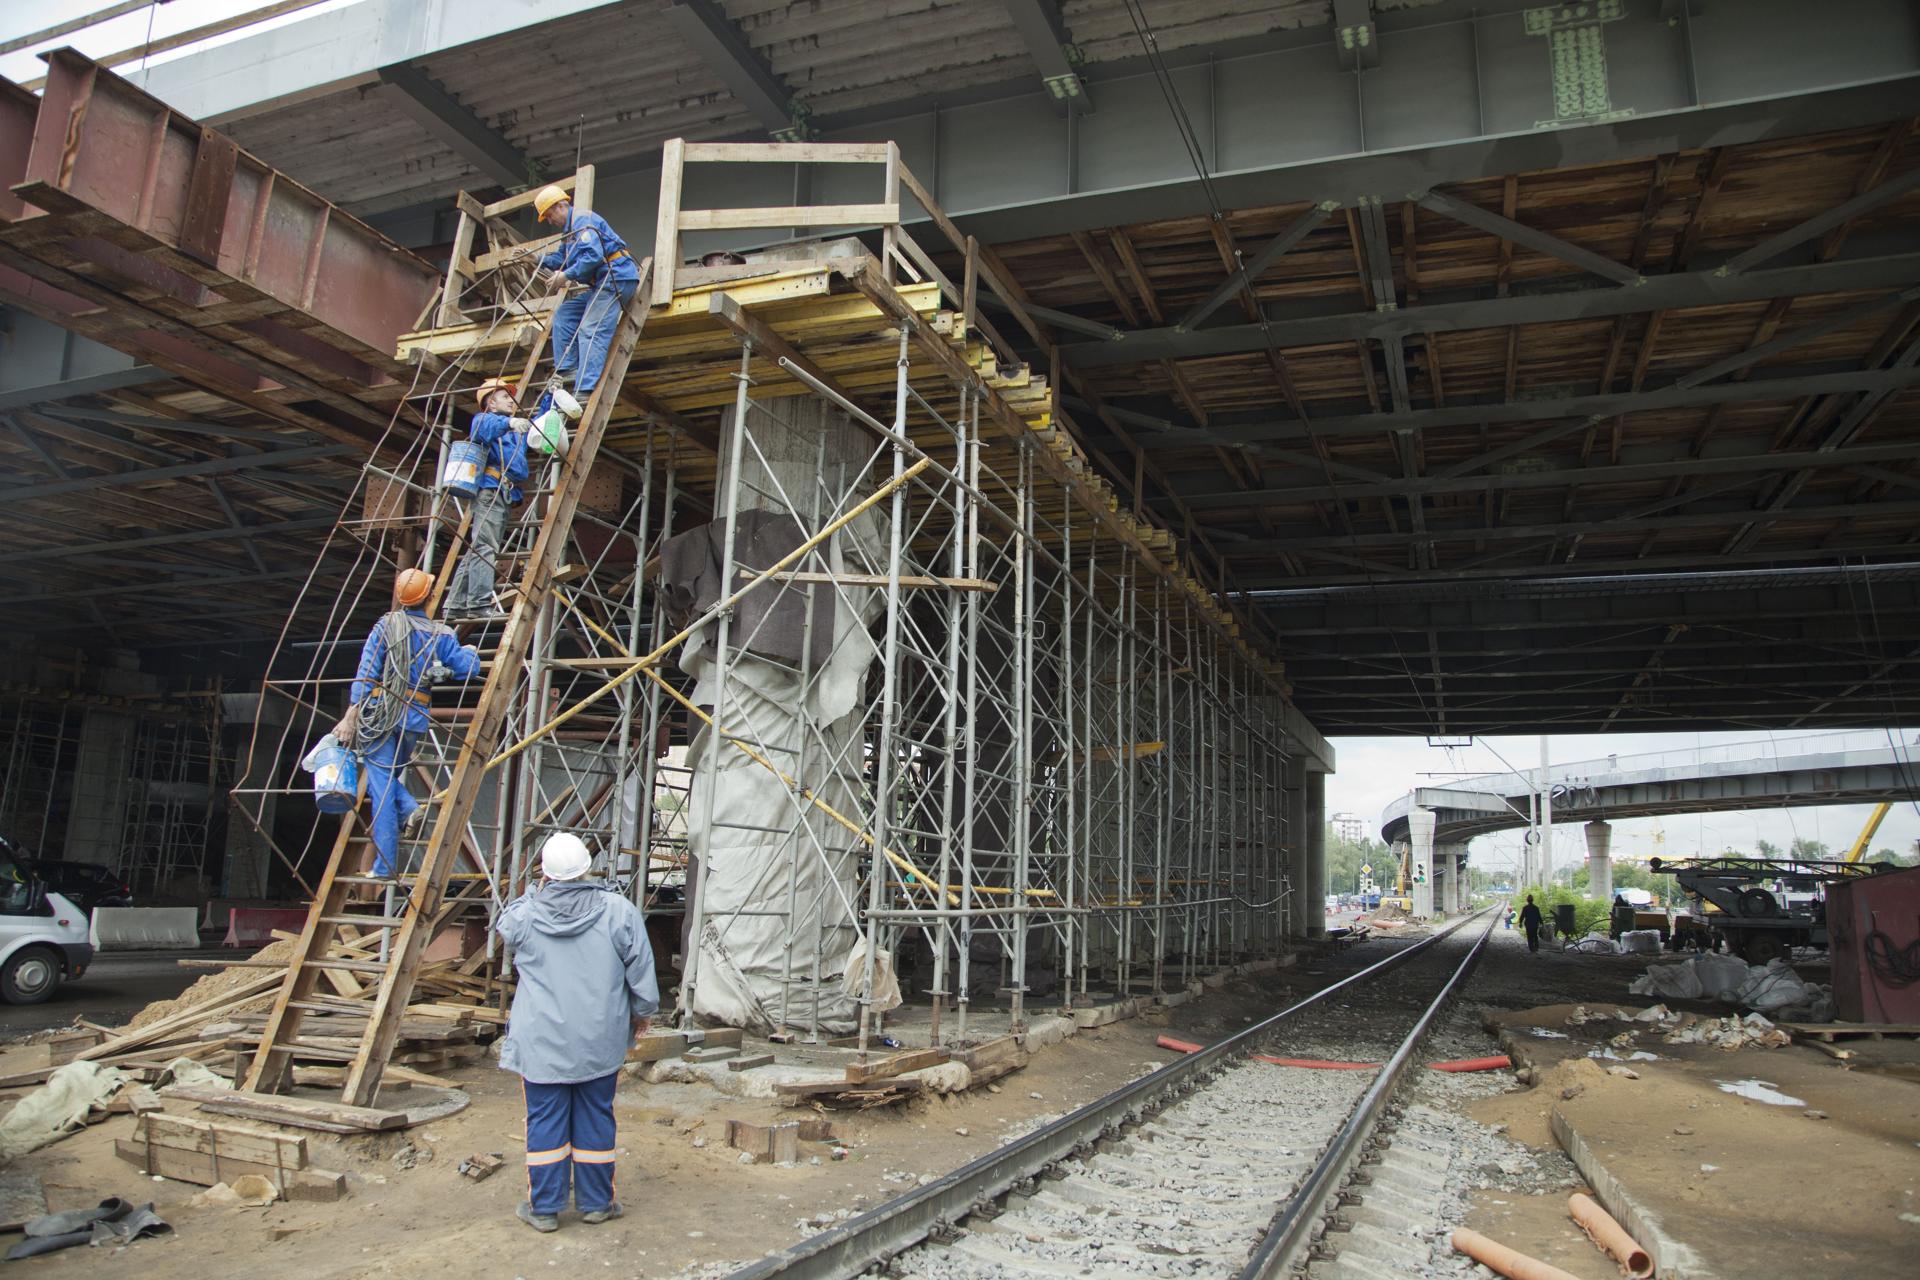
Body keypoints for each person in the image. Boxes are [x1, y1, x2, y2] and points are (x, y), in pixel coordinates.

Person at [496, 831, 659, 1233]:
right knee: (595, 1117)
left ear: (545, 874)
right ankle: (597, 1204)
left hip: (542, 1042)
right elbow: (641, 973)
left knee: (545, 1119)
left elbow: (505, 926)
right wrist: (643, 1012)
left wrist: (536, 891)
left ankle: (545, 1209)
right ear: (588, 868)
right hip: (598, 1038)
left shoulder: (525, 914)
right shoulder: (618, 912)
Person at [348, 568, 480, 880]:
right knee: (387, 779)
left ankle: (385, 865)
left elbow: (367, 672)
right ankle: (407, 807)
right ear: (430, 596)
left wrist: (352, 713)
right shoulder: (442, 634)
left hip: (382, 714)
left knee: (380, 788)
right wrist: (472, 653)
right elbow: (467, 670)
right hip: (414, 718)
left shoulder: (386, 626)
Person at [530, 185, 640, 408]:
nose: (550, 221)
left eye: (550, 216)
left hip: (616, 277)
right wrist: (536, 258)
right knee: (564, 314)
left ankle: (583, 389)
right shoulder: (570, 232)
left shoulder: (582, 221)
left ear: (561, 205)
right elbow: (562, 258)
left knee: (591, 327)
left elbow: (592, 256)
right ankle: (568, 369)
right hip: (601, 283)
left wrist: (565, 276)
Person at [444, 378, 530, 621]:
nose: (512, 402)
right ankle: (479, 603)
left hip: (502, 492)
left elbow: (535, 427)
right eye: (505, 398)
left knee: (480, 546)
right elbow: (488, 427)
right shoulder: (484, 420)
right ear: (491, 403)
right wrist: (510, 422)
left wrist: (551, 399)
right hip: (490, 491)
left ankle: (455, 604)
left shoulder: (513, 434)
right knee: (485, 546)